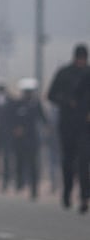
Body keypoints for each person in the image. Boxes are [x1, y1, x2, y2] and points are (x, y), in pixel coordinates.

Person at [47, 44, 90, 212]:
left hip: (85, 126)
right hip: (67, 124)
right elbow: (51, 95)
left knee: (84, 161)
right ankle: (67, 192)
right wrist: (66, 101)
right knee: (68, 160)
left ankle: (84, 196)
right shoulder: (64, 73)